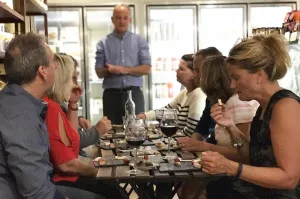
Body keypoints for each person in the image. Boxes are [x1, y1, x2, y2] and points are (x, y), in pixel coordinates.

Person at [202, 34, 300, 198]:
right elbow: (252, 157)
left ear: (259, 75)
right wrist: (230, 126)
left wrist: (229, 167)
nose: (232, 85)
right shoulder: (265, 106)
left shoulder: (285, 107)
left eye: (236, 77)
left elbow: (289, 179)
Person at [43, 53, 126, 199]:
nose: (76, 84)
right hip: (59, 180)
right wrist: (98, 171)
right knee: (113, 192)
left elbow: (72, 141)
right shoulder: (51, 109)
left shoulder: (56, 106)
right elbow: (66, 165)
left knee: (115, 190)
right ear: (63, 79)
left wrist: (73, 104)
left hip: (65, 177)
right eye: (73, 78)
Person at [178, 55, 259, 199]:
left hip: (238, 177)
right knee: (186, 184)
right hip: (230, 170)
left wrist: (201, 146)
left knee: (189, 188)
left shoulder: (238, 103)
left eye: (200, 73)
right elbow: (204, 129)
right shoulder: (223, 103)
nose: (197, 77)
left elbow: (244, 154)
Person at [0, 32, 66, 199]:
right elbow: (36, 191)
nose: (56, 67)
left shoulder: (13, 100)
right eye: (52, 62)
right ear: (42, 71)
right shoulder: (20, 114)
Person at [95, 4, 151, 124]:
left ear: (130, 20)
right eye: (118, 17)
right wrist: (109, 70)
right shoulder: (103, 43)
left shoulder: (139, 41)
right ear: (112, 20)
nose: (122, 21)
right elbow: (99, 72)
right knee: (112, 132)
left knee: (136, 130)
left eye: (125, 18)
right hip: (111, 97)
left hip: (134, 94)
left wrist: (125, 70)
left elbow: (147, 69)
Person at [137, 54, 206, 136]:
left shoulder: (198, 94)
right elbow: (166, 111)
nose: (176, 71)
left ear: (193, 73)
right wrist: (145, 116)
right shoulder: (184, 92)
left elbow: (191, 130)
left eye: (181, 69)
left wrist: (169, 138)